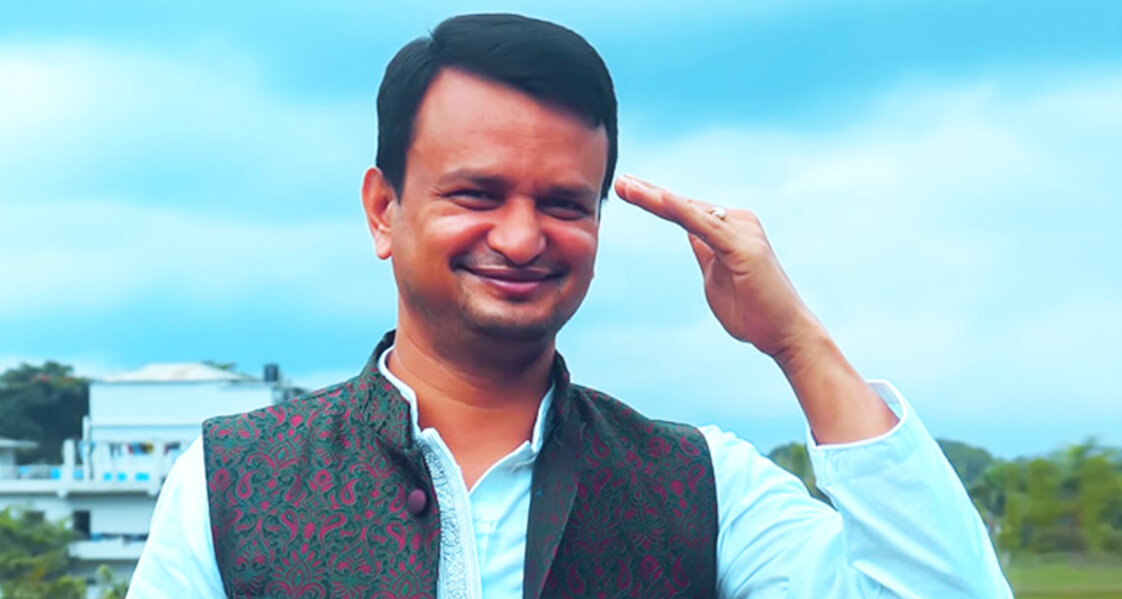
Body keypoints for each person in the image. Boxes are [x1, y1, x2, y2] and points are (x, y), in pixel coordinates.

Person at [128, 13, 1012, 599]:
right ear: (383, 209)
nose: (521, 238)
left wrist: (797, 342)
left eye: (562, 204)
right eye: (477, 194)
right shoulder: (230, 483)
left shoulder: (705, 487)